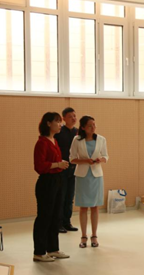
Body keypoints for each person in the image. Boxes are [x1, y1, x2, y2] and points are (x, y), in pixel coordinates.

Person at [33, 112, 70, 262]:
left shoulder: (54, 141)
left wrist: (60, 164)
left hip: (58, 179)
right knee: (45, 216)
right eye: (57, 121)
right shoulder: (42, 142)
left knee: (56, 215)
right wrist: (58, 164)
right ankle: (39, 252)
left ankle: (53, 248)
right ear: (48, 123)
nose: (60, 124)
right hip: (47, 182)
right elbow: (39, 166)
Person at [70, 116, 108, 249]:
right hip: (82, 176)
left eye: (94, 125)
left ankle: (94, 235)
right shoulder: (77, 140)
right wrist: (85, 161)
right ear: (83, 127)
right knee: (83, 207)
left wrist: (100, 159)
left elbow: (106, 156)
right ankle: (83, 236)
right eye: (90, 125)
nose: (93, 127)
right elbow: (72, 159)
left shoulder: (101, 139)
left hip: (96, 176)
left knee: (95, 207)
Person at [54, 107, 79, 233]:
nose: (73, 118)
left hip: (74, 168)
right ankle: (58, 224)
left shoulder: (78, 132)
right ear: (64, 118)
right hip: (61, 168)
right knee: (61, 197)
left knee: (70, 197)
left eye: (74, 116)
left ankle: (67, 222)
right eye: (70, 116)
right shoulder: (59, 132)